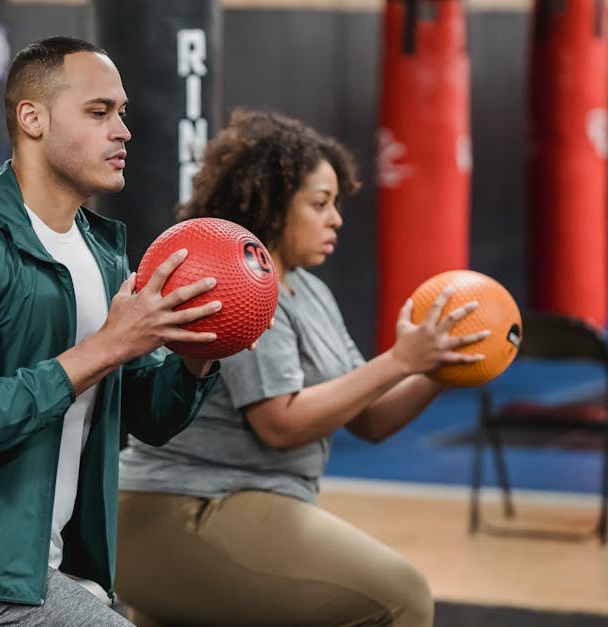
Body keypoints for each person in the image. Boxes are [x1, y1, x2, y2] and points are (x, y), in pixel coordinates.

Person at [0, 36, 226, 626]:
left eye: (122, 112)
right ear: (31, 119)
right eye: (98, 112)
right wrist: (107, 345)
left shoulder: (101, 253)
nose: (123, 131)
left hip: (43, 561)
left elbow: (146, 415)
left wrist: (196, 359)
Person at [115, 109, 489, 627]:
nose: (336, 218)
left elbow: (371, 418)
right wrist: (400, 359)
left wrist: (440, 365)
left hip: (226, 508)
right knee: (403, 597)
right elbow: (281, 424)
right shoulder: (244, 288)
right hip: (184, 509)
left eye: (336, 204)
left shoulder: (311, 292)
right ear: (269, 205)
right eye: (320, 204)